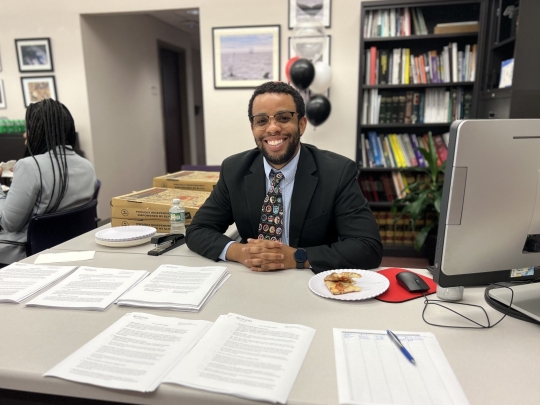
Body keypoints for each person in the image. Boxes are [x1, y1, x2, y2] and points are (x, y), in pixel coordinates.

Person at [186, 81, 382, 273]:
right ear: (253, 128)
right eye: (262, 121)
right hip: (253, 279)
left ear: (302, 124)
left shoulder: (337, 172)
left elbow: (368, 247)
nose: (272, 128)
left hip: (311, 283)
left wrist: (298, 258)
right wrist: (241, 252)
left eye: (283, 118)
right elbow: (198, 230)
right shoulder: (234, 169)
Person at [0, 99, 97, 265]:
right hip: (68, 249)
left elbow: (8, 224)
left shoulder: (29, 166)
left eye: (28, 128)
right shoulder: (86, 165)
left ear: (39, 131)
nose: (25, 134)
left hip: (27, 252)